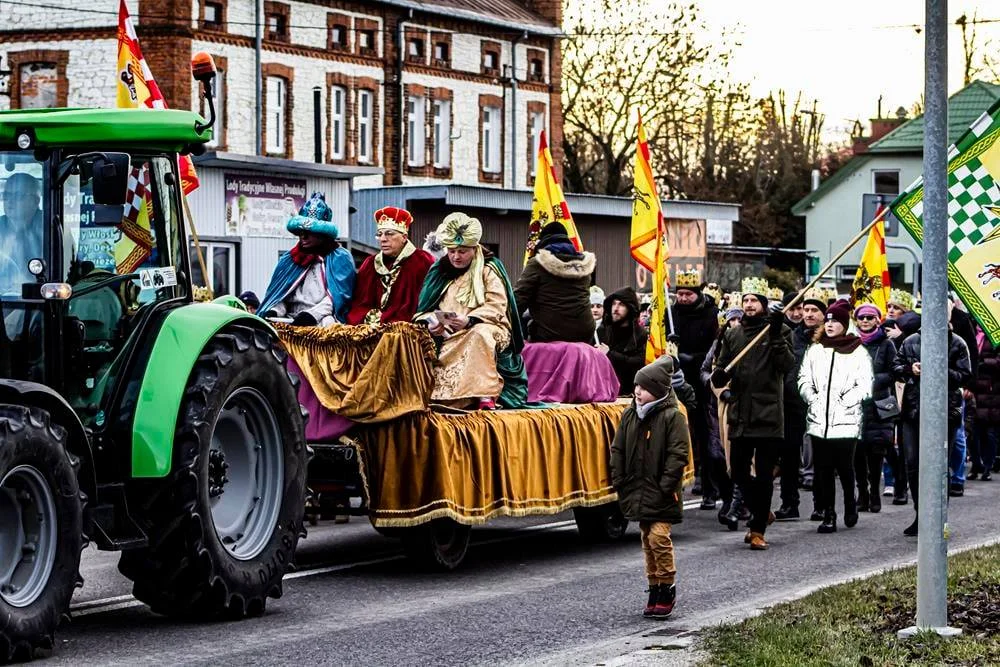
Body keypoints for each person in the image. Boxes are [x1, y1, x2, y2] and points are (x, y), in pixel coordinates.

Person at [711, 277, 794, 550]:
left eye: (754, 301)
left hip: (768, 412)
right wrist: (720, 374)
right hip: (741, 412)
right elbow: (721, 367)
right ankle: (761, 509)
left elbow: (785, 365)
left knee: (765, 474)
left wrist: (776, 334)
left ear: (763, 304)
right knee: (737, 470)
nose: (748, 305)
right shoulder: (733, 334)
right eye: (745, 300)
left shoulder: (778, 331)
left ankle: (758, 530)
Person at [414, 212, 527, 410]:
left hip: (488, 325)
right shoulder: (439, 270)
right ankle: (436, 396)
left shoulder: (490, 268)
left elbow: (497, 304)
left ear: (475, 249)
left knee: (478, 335)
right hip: (448, 331)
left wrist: (471, 320)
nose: (456, 256)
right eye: (452, 251)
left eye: (463, 251)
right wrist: (433, 323)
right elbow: (424, 308)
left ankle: (483, 394)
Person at [610, 356, 690, 619]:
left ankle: (667, 586)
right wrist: (619, 479)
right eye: (636, 387)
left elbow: (678, 454)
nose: (637, 392)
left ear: (656, 390)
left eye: (642, 388)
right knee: (647, 539)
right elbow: (618, 448)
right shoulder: (631, 414)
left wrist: (667, 486)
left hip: (663, 492)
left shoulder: (672, 416)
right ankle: (654, 586)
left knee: (658, 537)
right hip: (637, 489)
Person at [892, 305, 973, 536]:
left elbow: (965, 375)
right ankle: (921, 514)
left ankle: (937, 516)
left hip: (944, 411)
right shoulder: (911, 341)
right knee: (913, 464)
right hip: (914, 410)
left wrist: (939, 369)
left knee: (938, 466)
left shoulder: (957, 342)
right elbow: (896, 367)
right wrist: (911, 368)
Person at [798, 300, 873, 533]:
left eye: (835, 322)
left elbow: (866, 385)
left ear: (844, 324)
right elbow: (803, 378)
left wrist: (846, 400)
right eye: (828, 322)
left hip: (846, 420)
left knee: (845, 467)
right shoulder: (815, 350)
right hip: (819, 421)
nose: (830, 326)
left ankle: (850, 504)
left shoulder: (857, 351)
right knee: (823, 469)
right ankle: (828, 513)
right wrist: (812, 397)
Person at [258, 193, 356, 326]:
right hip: (289, 319)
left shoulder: (340, 258)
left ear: (322, 233)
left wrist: (312, 315)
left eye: (309, 232)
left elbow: (338, 297)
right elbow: (280, 295)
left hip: (322, 319)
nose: (303, 236)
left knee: (330, 327)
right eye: (300, 231)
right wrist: (275, 311)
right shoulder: (289, 259)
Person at [670, 269, 721, 509]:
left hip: (700, 381)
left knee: (704, 433)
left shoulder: (711, 314)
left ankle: (710, 488)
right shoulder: (671, 314)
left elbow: (715, 348)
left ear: (697, 294)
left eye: (688, 294)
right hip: (676, 380)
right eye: (680, 294)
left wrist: (696, 358)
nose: (683, 298)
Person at [346, 206, 434, 325]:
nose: (383, 239)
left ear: (404, 237)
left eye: (389, 234)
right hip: (370, 330)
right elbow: (359, 304)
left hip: (408, 333)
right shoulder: (369, 264)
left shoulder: (423, 261)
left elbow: (426, 304)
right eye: (379, 234)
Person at [514, 221, 597, 343]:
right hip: (585, 332)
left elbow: (517, 301)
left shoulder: (538, 263)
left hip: (549, 333)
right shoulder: (583, 266)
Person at [854, 303, 897, 513]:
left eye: (870, 317)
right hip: (855, 406)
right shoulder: (851, 343)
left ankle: (874, 494)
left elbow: (893, 371)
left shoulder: (887, 344)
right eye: (862, 317)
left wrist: (871, 380)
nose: (865, 321)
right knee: (857, 453)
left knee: (876, 452)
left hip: (879, 406)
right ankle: (861, 492)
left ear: (877, 320)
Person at [597, 287, 647, 396]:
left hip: (630, 392)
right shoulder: (601, 331)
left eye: (621, 305)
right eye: (614, 304)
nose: (616, 308)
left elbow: (639, 362)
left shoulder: (639, 334)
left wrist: (610, 354)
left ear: (630, 308)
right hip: (604, 392)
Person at [0, 172, 44, 292]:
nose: (10, 201)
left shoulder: (49, 229)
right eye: (6, 196)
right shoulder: (1, 226)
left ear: (36, 201)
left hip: (38, 300)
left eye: (18, 196)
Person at [971, 332, 999, 481]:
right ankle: (976, 465)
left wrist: (982, 362)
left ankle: (988, 466)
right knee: (973, 432)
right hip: (975, 389)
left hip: (991, 391)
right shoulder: (974, 334)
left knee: (990, 433)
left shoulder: (995, 335)